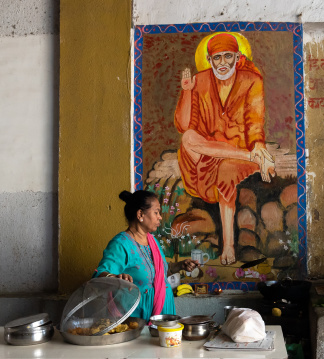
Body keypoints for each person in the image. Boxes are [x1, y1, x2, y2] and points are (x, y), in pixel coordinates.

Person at [174, 33, 276, 266]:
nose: (222, 63)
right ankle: (247, 156)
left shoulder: (252, 81)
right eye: (217, 58)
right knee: (188, 137)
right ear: (209, 60)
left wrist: (258, 147)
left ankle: (228, 245)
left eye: (227, 57)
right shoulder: (199, 82)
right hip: (205, 155)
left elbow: (255, 121)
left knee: (227, 170)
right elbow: (184, 125)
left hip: (237, 153)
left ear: (237, 57)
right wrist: (187, 91)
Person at [94, 190, 199, 322]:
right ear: (140, 214)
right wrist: (115, 277)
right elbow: (99, 275)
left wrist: (180, 265)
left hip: (164, 313)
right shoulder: (121, 244)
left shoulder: (153, 241)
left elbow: (158, 274)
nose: (160, 217)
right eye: (156, 212)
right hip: (139, 319)